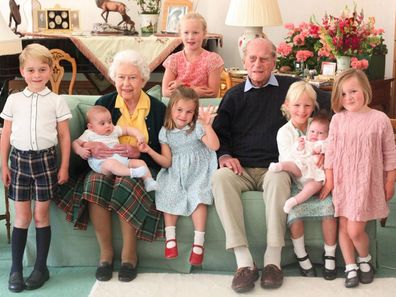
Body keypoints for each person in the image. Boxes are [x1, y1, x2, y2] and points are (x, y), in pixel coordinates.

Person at [211, 37, 331, 293]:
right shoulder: (233, 96)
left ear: (274, 61)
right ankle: (244, 263)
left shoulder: (290, 88)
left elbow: (328, 103)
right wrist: (224, 156)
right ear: (244, 61)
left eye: (264, 58)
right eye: (252, 58)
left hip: (274, 168)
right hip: (239, 169)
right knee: (219, 178)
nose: (258, 64)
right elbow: (219, 134)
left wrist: (328, 139)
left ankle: (272, 261)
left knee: (278, 177)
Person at [71, 49, 166, 282]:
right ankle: (105, 254)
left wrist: (140, 153)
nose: (126, 83)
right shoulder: (104, 103)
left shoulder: (157, 109)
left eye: (132, 77)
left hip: (139, 165)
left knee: (126, 183)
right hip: (102, 165)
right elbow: (88, 137)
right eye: (121, 77)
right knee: (94, 183)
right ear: (114, 79)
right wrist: (92, 148)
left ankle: (129, 255)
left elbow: (163, 151)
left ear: (143, 79)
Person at [0, 43, 71, 292]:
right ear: (22, 71)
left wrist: (64, 166)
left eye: (42, 69)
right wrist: (3, 166)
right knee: (22, 217)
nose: (37, 75)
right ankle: (16, 269)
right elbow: (5, 134)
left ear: (51, 71)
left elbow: (64, 136)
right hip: (18, 162)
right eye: (31, 70)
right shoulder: (14, 99)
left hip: (45, 163)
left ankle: (41, 268)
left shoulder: (57, 101)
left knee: (41, 216)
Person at [320, 68, 396, 288]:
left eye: (353, 91)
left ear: (365, 89)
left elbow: (390, 153)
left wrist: (390, 180)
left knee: (355, 229)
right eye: (343, 94)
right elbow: (331, 153)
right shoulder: (338, 120)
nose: (348, 97)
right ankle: (351, 266)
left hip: (366, 182)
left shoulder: (379, 119)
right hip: (344, 181)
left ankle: (365, 258)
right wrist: (330, 179)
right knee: (343, 226)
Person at [139, 86, 219, 266]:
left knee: (198, 197)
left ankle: (199, 243)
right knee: (168, 191)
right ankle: (170, 239)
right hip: (176, 170)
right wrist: (149, 150)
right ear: (171, 109)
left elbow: (214, 146)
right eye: (179, 110)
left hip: (199, 170)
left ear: (194, 113)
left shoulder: (197, 127)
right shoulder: (165, 132)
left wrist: (207, 125)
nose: (183, 115)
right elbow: (167, 162)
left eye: (189, 112)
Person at [269, 81, 337, 280]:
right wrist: (302, 149)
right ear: (287, 106)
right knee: (295, 215)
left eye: (307, 106)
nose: (302, 110)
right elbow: (287, 160)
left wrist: (324, 156)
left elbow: (331, 145)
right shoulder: (285, 132)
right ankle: (301, 255)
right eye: (297, 105)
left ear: (313, 107)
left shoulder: (317, 126)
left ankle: (330, 255)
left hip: (320, 179)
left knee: (330, 210)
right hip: (298, 182)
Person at [72, 105, 157, 192]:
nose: (108, 125)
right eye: (102, 123)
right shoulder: (89, 133)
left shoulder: (114, 130)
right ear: (91, 127)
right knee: (111, 163)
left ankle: (149, 181)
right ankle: (132, 173)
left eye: (110, 121)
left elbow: (127, 130)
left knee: (140, 162)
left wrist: (138, 135)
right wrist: (80, 150)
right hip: (103, 165)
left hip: (122, 160)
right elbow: (75, 143)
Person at [269, 100, 330, 214]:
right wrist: (299, 147)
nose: (315, 135)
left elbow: (330, 148)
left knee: (314, 186)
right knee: (292, 165)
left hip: (316, 175)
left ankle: (293, 201)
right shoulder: (304, 139)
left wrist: (322, 150)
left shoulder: (324, 142)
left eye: (320, 133)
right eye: (312, 131)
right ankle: (279, 166)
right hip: (301, 169)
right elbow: (295, 154)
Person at [161, 12, 224, 98]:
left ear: (204, 33)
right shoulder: (174, 59)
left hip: (203, 108)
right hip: (180, 109)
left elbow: (212, 93)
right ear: (180, 34)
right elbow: (165, 92)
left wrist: (182, 87)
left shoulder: (212, 60)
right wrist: (194, 91)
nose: (190, 37)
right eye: (186, 33)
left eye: (195, 33)